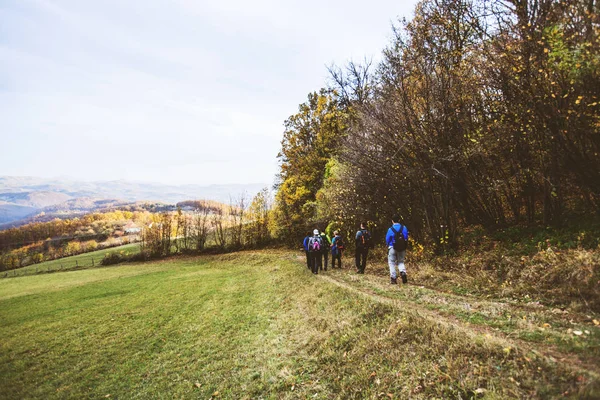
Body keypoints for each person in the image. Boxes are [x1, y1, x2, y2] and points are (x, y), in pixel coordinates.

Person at [386, 215, 409, 284]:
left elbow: (387, 239)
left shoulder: (390, 229)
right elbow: (406, 237)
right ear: (399, 220)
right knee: (401, 262)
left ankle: (393, 278)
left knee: (391, 262)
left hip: (392, 247)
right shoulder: (404, 228)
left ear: (392, 221)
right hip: (402, 247)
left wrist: (387, 245)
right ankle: (403, 272)